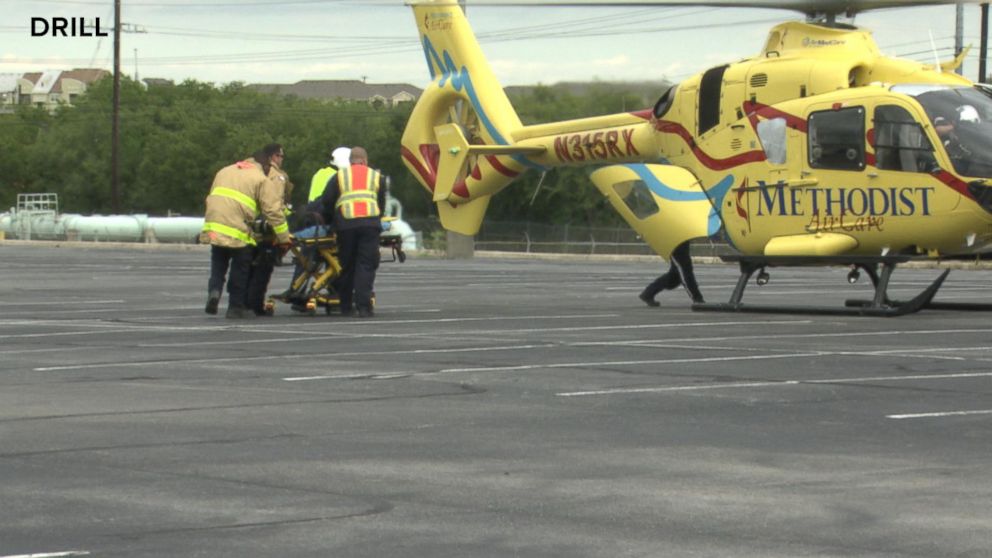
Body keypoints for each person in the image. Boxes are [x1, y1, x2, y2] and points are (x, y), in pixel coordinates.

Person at [201, 152, 291, 319]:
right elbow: (273, 212)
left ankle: (214, 291)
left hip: (214, 225)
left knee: (218, 266)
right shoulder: (260, 178)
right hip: (237, 228)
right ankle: (235, 307)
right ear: (264, 165)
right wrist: (283, 238)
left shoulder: (224, 171)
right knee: (240, 268)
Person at [318, 146, 387, 317]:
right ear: (365, 161)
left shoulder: (339, 176)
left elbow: (327, 201)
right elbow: (381, 203)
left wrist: (329, 221)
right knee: (365, 265)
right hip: (370, 225)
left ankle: (346, 306)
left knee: (346, 265)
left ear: (350, 162)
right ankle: (364, 307)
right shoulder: (376, 176)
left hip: (346, 225)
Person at [245, 144, 293, 316]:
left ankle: (242, 303)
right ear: (274, 157)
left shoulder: (248, 170)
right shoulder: (277, 177)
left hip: (248, 228)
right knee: (263, 270)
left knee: (247, 268)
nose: (282, 160)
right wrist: (283, 235)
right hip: (266, 230)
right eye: (281, 156)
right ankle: (255, 305)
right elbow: (275, 206)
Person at [638, 241, 705, 307]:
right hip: (675, 244)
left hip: (681, 242)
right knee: (684, 271)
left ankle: (648, 293)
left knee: (674, 277)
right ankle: (697, 298)